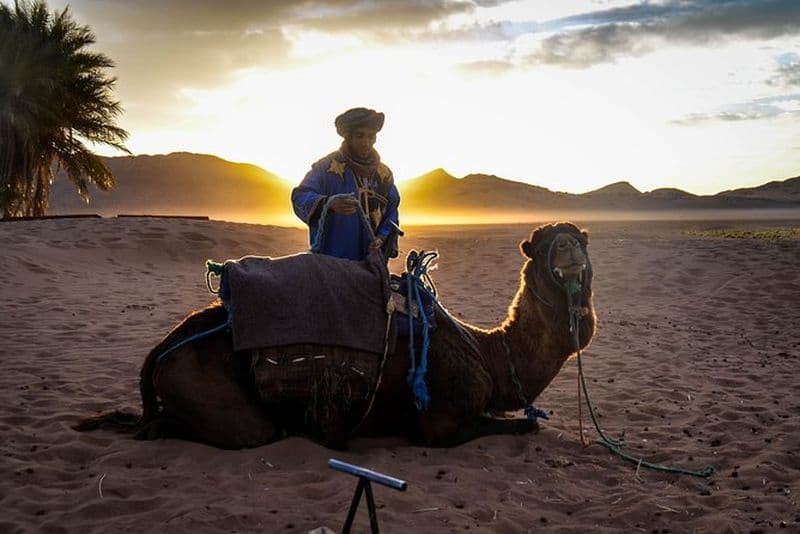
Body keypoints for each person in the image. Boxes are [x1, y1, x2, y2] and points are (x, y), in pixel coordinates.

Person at [292, 107, 400, 261]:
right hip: (332, 261)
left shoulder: (384, 175)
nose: (366, 142)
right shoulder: (326, 168)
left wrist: (382, 238)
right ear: (348, 137)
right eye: (360, 136)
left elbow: (392, 211)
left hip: (371, 261)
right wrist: (327, 204)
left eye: (371, 137)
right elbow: (300, 196)